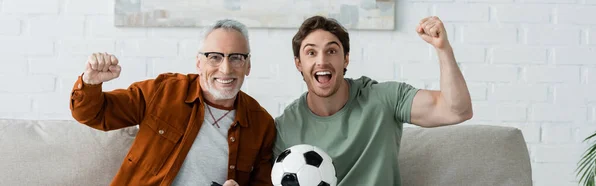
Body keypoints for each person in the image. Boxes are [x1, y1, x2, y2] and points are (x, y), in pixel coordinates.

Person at [69, 19, 275, 186]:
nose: (226, 69)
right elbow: (93, 114)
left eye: (236, 58)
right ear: (198, 63)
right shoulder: (164, 91)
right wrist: (90, 83)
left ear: (248, 65)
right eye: (215, 57)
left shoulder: (261, 124)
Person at [273, 15, 473, 185]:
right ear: (298, 64)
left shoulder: (383, 98)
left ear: (346, 59)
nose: (322, 61)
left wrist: (443, 48)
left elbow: (457, 110)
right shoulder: (285, 127)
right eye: (311, 53)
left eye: (331, 51)